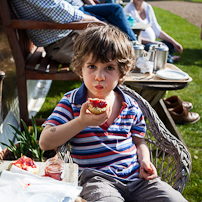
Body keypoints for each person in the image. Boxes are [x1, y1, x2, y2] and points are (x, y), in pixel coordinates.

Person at [39, 25, 187, 202]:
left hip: (137, 179)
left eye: (109, 68)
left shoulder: (131, 105)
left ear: (122, 72)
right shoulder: (72, 102)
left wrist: (145, 161)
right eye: (92, 66)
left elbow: (139, 142)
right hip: (97, 180)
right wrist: (81, 122)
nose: (99, 76)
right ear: (80, 69)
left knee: (174, 199)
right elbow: (45, 142)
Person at [11, 0, 137, 64]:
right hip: (61, 42)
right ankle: (136, 53)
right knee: (116, 53)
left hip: (65, 32)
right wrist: (91, 19)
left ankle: (136, 50)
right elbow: (57, 9)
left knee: (111, 20)